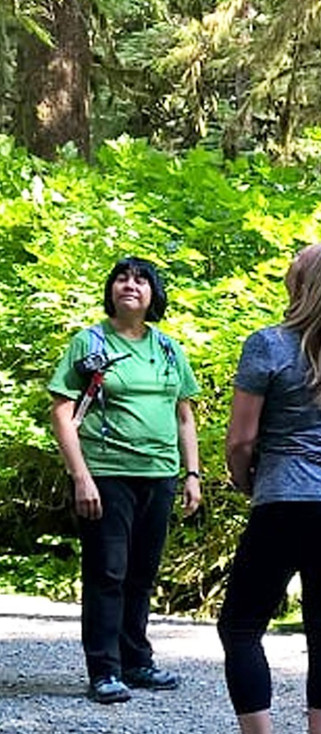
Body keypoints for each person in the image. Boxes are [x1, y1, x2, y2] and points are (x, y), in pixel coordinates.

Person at [191, 242, 321, 734]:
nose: (294, 258)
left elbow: (241, 441)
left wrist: (247, 482)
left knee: (241, 625)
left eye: (303, 258)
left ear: (307, 285)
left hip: (286, 500)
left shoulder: (268, 345)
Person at [48, 257, 201, 705]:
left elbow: (184, 416)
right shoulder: (90, 342)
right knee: (107, 572)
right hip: (106, 473)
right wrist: (81, 476)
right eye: (121, 278)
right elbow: (62, 412)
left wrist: (192, 474)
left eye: (140, 280)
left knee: (142, 573)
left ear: (154, 293)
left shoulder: (169, 349)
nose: (129, 285)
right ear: (111, 290)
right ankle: (104, 670)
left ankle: (137, 661)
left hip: (159, 474)